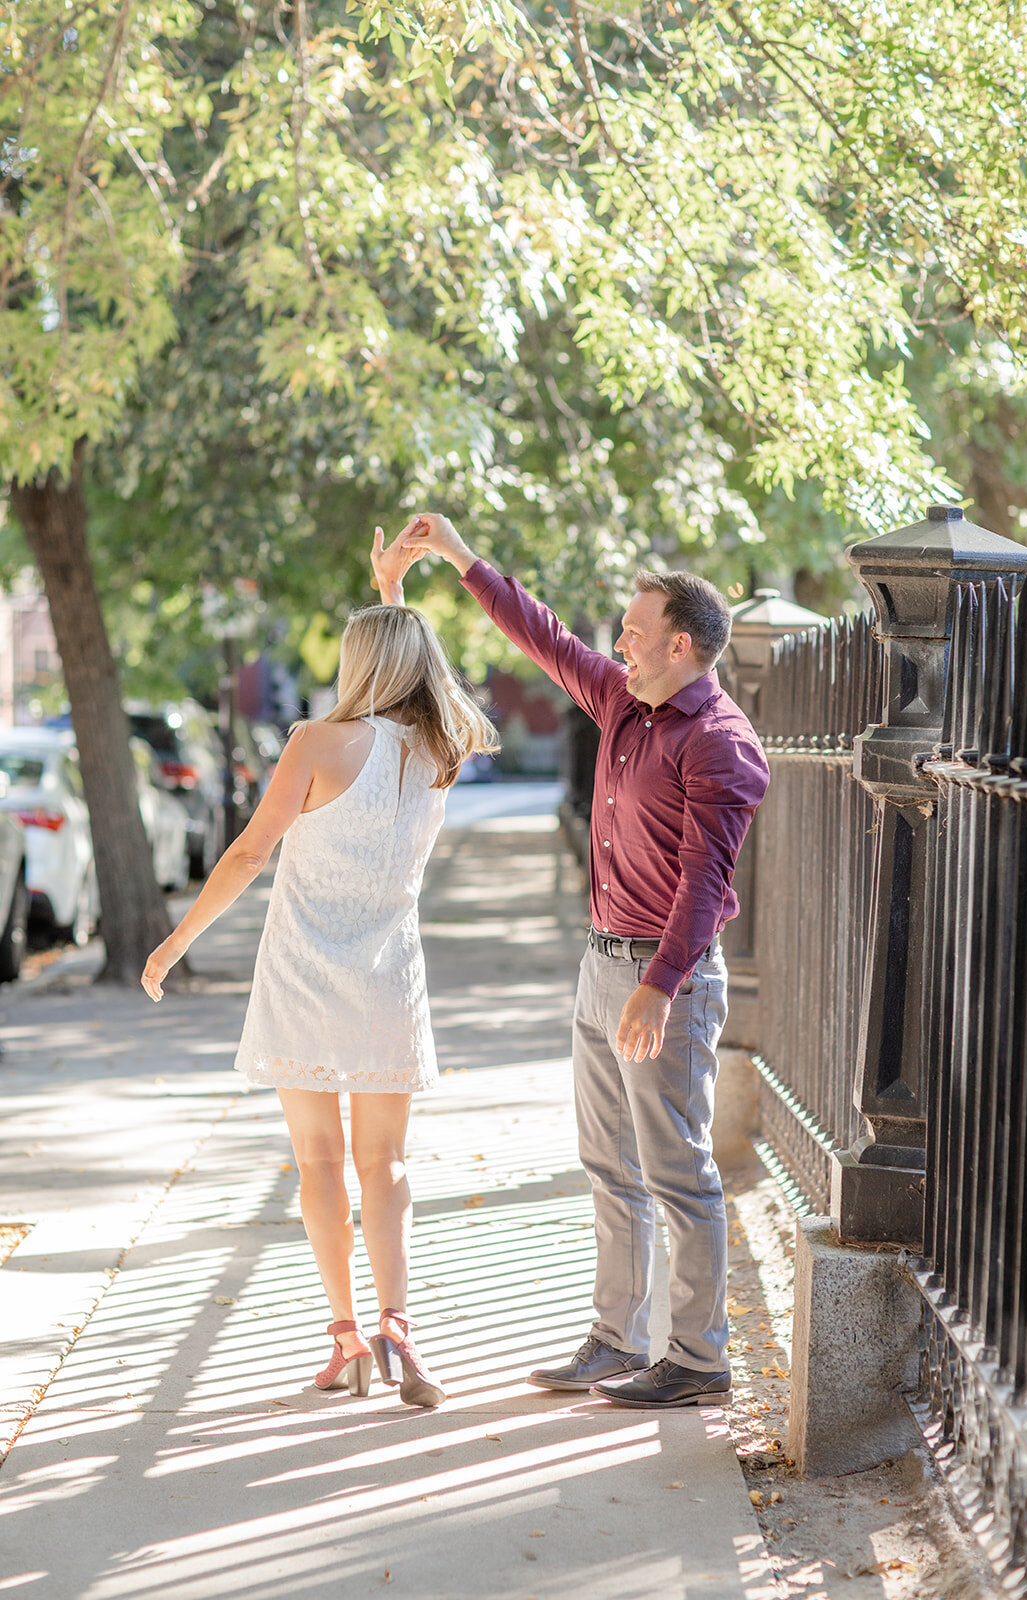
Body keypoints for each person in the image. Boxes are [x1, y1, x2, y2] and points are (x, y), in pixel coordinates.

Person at [401, 512, 769, 1408]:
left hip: (663, 981)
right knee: (606, 1161)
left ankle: (697, 1356)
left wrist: (655, 988)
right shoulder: (620, 701)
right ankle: (617, 1336)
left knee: (677, 1168)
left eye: (635, 633)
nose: (618, 644)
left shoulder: (718, 742)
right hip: (601, 964)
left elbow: (703, 883)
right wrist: (458, 557)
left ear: (681, 645)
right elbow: (543, 635)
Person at [141, 526, 497, 1408]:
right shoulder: (439, 752)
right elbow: (406, 689)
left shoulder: (313, 742)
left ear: (357, 665)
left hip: (302, 976)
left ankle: (346, 1341)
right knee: (386, 1165)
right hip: (388, 980)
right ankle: (397, 1324)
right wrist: (393, 597)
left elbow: (247, 856)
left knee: (317, 1164)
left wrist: (173, 943)